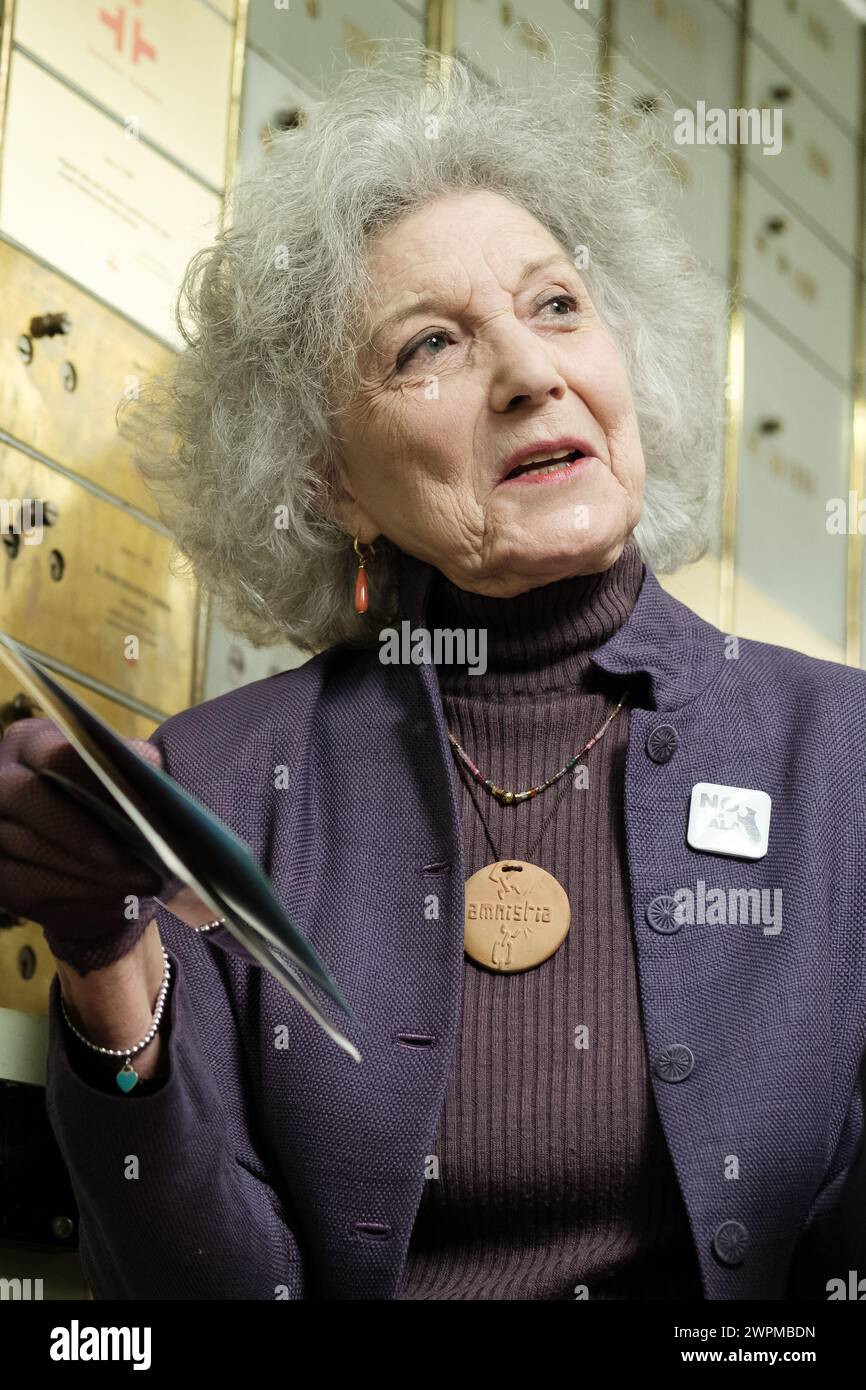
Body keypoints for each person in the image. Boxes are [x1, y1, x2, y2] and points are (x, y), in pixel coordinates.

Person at [1, 41, 864, 1301]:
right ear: (331, 480)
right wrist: (104, 957)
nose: (528, 372)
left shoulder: (838, 754)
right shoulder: (221, 781)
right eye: (429, 347)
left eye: (557, 305)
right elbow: (199, 1285)